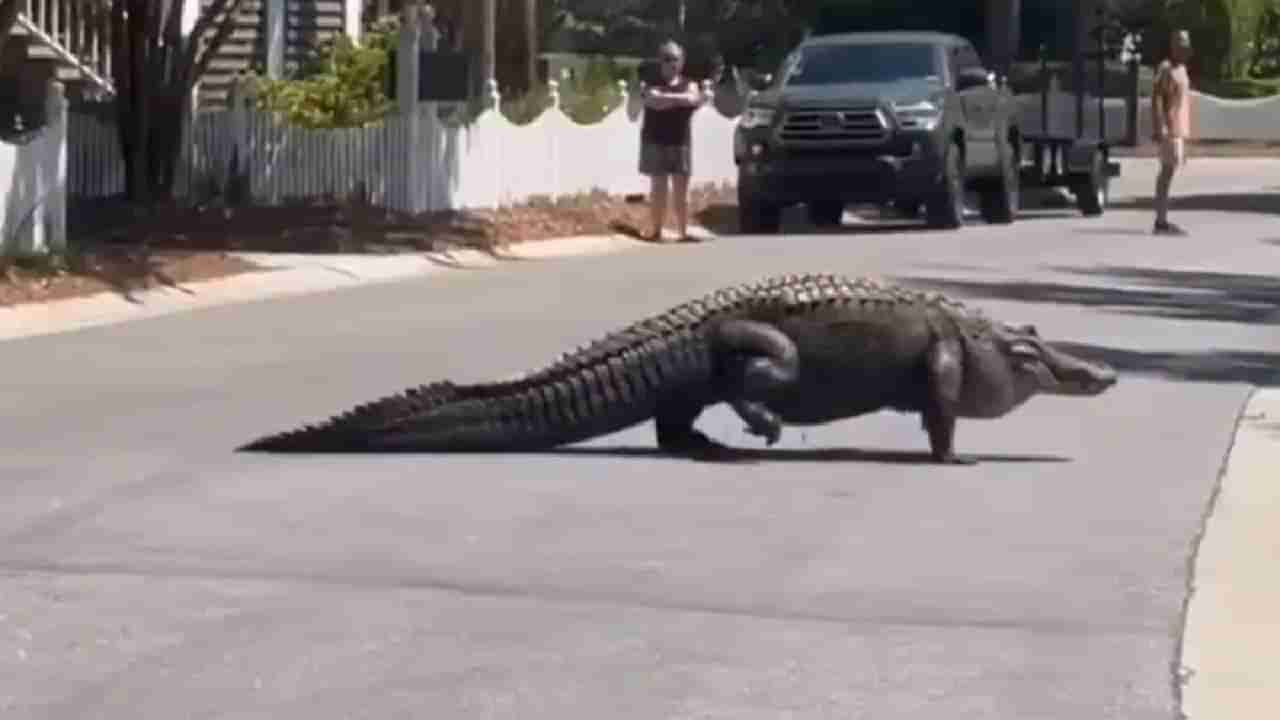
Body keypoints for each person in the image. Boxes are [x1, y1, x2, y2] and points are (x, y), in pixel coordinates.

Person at [637, 40, 707, 243]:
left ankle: (683, 232)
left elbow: (692, 100)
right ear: (660, 61)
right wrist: (679, 99)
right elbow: (653, 101)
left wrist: (667, 98)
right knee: (658, 189)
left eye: (675, 59)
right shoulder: (651, 81)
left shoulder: (690, 83)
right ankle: (656, 231)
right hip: (654, 140)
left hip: (680, 142)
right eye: (666, 58)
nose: (671, 63)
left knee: (681, 191)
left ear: (682, 61)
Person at [1151, 29, 1193, 236]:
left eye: (1186, 44)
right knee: (1166, 174)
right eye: (1179, 44)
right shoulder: (1165, 69)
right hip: (1169, 129)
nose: (1183, 48)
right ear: (1172, 46)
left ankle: (1162, 218)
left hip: (1179, 130)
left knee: (1169, 173)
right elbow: (1157, 99)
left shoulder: (1182, 69)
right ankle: (1161, 222)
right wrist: (1160, 127)